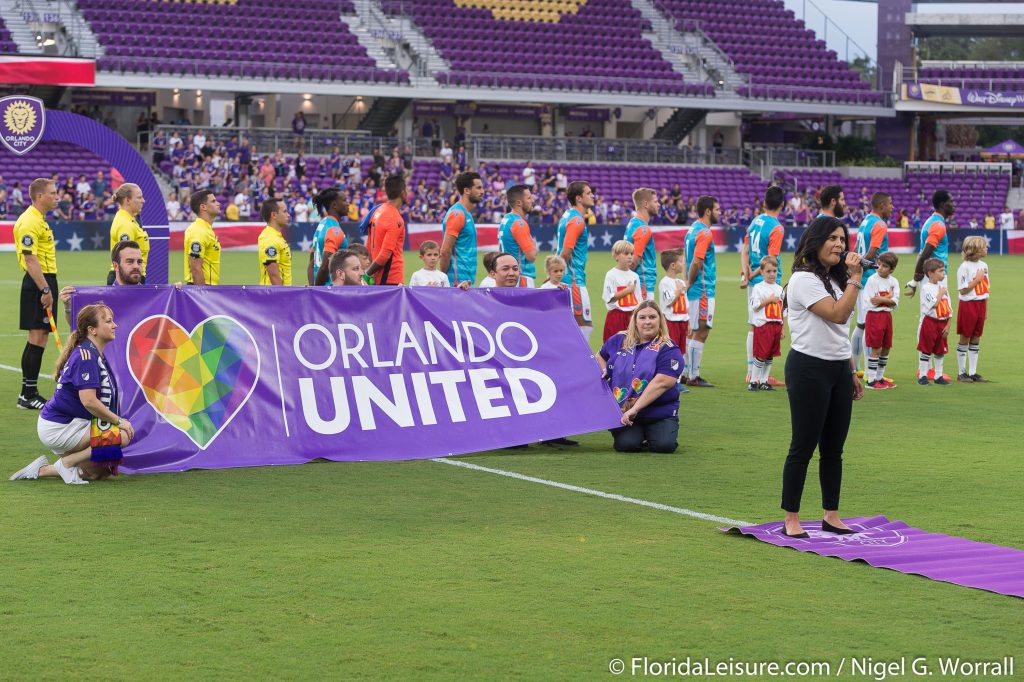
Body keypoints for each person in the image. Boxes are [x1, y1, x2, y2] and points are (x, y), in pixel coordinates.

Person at [780, 216, 864, 538]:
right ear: (816, 242)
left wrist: (851, 369)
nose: (839, 245)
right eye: (832, 238)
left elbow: (840, 332)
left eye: (843, 240)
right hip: (808, 369)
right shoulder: (804, 280)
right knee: (803, 445)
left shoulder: (835, 279)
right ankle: (792, 518)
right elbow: (839, 313)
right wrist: (856, 277)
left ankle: (831, 513)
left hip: (837, 368)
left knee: (834, 448)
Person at [9, 304, 134, 484]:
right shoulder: (87, 356)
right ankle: (67, 462)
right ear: (92, 330)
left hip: (69, 424)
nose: (115, 325)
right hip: (59, 426)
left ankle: (42, 470)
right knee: (121, 434)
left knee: (99, 472)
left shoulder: (91, 351)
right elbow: (89, 401)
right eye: (108, 321)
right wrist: (119, 420)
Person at [596, 301, 685, 454]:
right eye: (642, 318)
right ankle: (637, 435)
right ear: (635, 321)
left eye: (652, 317)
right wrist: (604, 370)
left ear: (660, 320)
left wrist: (635, 409)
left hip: (659, 412)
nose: (647, 322)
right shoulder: (619, 340)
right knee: (628, 445)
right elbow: (599, 356)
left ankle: (654, 433)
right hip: (624, 413)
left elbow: (662, 383)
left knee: (664, 446)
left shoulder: (668, 349)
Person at [14, 178, 60, 410]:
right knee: (36, 337)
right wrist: (45, 289)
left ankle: (28, 392)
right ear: (40, 196)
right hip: (38, 282)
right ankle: (27, 393)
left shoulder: (39, 220)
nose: (57, 196)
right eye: (52, 193)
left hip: (44, 279)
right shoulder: (29, 221)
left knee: (40, 337)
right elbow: (30, 259)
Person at [906, 190, 954, 381]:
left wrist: (917, 276)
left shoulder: (932, 221)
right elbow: (925, 252)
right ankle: (924, 368)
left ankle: (930, 368)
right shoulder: (938, 225)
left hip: (933, 274)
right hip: (934, 275)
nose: (954, 204)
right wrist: (917, 275)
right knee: (926, 318)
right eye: (951, 201)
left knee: (935, 317)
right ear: (943, 204)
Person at [742, 186, 785, 387]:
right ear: (782, 205)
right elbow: (770, 259)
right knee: (768, 325)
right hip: (767, 280)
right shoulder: (776, 227)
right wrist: (756, 272)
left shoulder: (754, 221)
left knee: (755, 325)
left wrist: (746, 273)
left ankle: (753, 372)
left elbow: (745, 249)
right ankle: (757, 374)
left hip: (754, 279)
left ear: (764, 203)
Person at [851, 192, 893, 383]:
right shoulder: (880, 224)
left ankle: (856, 368)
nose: (892, 207)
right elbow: (873, 251)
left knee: (861, 323)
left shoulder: (865, 221)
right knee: (870, 324)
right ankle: (871, 374)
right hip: (871, 279)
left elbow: (859, 248)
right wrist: (862, 264)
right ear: (882, 205)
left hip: (861, 278)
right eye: (890, 204)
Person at [682, 195, 719, 388]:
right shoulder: (704, 232)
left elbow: (685, 258)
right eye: (717, 209)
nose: (719, 213)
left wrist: (685, 281)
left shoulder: (691, 230)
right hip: (702, 289)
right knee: (702, 331)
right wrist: (689, 281)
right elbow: (697, 261)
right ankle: (693, 376)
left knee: (692, 331)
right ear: (708, 211)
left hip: (695, 289)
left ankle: (687, 371)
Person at [557, 181, 595, 342]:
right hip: (573, 280)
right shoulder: (577, 220)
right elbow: (566, 251)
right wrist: (556, 273)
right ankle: (578, 364)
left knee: (570, 325)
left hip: (569, 278)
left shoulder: (568, 215)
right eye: (588, 193)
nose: (592, 195)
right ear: (579, 198)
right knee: (584, 325)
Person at [862, 252, 900, 390]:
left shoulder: (894, 281)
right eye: (879, 264)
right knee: (876, 348)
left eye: (885, 266)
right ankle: (871, 380)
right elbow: (871, 302)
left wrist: (883, 299)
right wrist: (888, 298)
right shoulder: (872, 280)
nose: (880, 268)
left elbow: (895, 302)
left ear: (891, 269)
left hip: (887, 317)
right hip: (874, 316)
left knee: (886, 347)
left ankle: (880, 377)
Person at [955, 236, 990, 383]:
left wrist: (986, 308)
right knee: (965, 336)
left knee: (976, 336)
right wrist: (976, 280)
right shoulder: (964, 267)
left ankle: (973, 372)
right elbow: (963, 290)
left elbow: (987, 288)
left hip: (980, 304)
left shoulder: (984, 265)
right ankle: (961, 372)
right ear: (976, 250)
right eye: (983, 247)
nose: (986, 249)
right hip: (968, 305)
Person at [440, 172, 483, 287]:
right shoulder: (458, 214)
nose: (482, 191)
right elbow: (445, 251)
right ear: (467, 190)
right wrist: (443, 278)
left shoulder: (466, 213)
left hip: (466, 280)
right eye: (478, 188)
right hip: (457, 282)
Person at [748, 257, 785, 392]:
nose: (772, 274)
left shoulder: (780, 289)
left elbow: (783, 310)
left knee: (770, 354)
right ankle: (753, 381)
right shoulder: (758, 288)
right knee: (761, 354)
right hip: (764, 325)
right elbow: (754, 306)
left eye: (774, 271)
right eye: (768, 271)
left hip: (776, 325)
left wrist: (783, 328)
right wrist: (768, 300)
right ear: (762, 272)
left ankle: (764, 381)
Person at [917, 258, 953, 386]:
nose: (944, 273)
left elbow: (949, 308)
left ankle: (939, 376)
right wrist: (940, 294)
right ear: (931, 273)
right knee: (926, 350)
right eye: (941, 271)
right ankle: (922, 375)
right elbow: (934, 304)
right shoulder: (927, 288)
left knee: (940, 350)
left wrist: (948, 325)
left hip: (942, 324)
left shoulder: (943, 288)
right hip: (930, 322)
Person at [366, 175, 406, 285]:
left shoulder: (377, 211)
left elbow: (369, 245)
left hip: (378, 276)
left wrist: (370, 271)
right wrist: (367, 274)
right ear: (403, 193)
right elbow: (385, 254)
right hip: (390, 278)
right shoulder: (395, 218)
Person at [106, 183, 149, 285]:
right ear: (127, 200)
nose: (143, 201)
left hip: (130, 275)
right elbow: (126, 256)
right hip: (127, 278)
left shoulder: (128, 220)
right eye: (139, 197)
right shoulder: (125, 224)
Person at [498, 185, 538, 287]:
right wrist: (532, 243)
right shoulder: (519, 223)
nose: (532, 200)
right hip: (521, 277)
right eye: (528, 198)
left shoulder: (506, 219)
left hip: (508, 276)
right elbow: (531, 256)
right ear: (519, 203)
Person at [602, 240, 641, 341]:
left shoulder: (635, 276)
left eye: (631, 254)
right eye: (626, 253)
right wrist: (627, 290)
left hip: (632, 316)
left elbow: (639, 299)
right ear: (616, 256)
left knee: (633, 346)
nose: (630, 256)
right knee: (615, 347)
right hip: (616, 316)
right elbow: (609, 298)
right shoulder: (611, 275)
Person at [625, 188, 660, 301]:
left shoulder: (632, 223)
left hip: (636, 283)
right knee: (647, 317)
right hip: (643, 283)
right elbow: (634, 261)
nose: (658, 204)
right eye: (655, 201)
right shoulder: (643, 228)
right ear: (646, 204)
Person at [309, 188, 349, 287]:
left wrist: (312, 287)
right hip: (330, 290)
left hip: (322, 288)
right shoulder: (333, 230)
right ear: (334, 205)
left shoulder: (322, 225)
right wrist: (316, 291)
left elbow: (311, 264)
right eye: (344, 200)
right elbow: (324, 267)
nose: (348, 203)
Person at [658, 248, 688, 373]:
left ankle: (678, 378)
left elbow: (686, 304)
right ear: (673, 265)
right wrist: (678, 291)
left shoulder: (680, 282)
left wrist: (689, 320)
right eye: (681, 262)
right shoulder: (664, 283)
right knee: (671, 349)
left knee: (682, 350)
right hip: (671, 322)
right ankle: (670, 376)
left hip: (683, 321)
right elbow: (668, 302)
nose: (683, 264)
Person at [183, 189, 221, 285]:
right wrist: (202, 295)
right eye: (213, 201)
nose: (218, 203)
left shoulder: (206, 229)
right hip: (202, 288)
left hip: (208, 287)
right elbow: (195, 268)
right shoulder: (198, 231)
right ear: (203, 207)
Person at [257, 198, 292, 286]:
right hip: (273, 296)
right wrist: (282, 297)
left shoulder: (276, 236)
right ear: (274, 215)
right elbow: (274, 275)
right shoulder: (270, 239)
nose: (288, 215)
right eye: (284, 211)